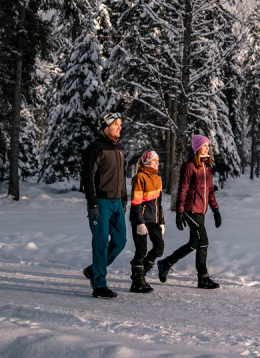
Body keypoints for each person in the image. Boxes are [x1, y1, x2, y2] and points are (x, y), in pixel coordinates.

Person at [158, 134, 222, 289]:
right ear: (197, 148)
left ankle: (166, 263)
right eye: (204, 145)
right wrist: (180, 212)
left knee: (194, 243)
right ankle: (203, 277)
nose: (207, 148)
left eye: (208, 145)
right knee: (203, 241)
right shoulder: (188, 166)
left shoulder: (207, 166)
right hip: (190, 209)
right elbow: (182, 189)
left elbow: (210, 191)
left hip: (201, 210)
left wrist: (216, 210)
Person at [81, 112, 128, 299]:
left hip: (117, 203)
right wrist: (92, 203)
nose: (120, 127)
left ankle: (93, 270)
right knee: (100, 244)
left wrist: (124, 199)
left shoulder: (121, 149)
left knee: (121, 241)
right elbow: (88, 177)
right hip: (100, 202)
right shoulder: (95, 148)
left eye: (120, 124)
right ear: (106, 126)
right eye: (116, 124)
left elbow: (122, 177)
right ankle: (99, 284)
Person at [128, 150, 164, 294]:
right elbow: (136, 202)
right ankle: (137, 283)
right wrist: (139, 222)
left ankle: (141, 273)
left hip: (154, 220)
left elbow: (159, 204)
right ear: (146, 161)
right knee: (141, 250)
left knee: (159, 248)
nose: (157, 163)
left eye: (158, 160)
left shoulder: (158, 179)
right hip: (140, 220)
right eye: (154, 160)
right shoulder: (140, 177)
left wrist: (162, 221)